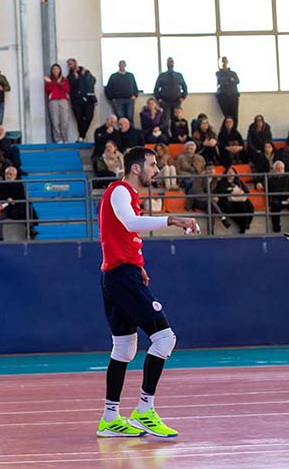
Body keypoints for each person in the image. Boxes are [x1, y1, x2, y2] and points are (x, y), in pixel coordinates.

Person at [96, 146, 198, 439]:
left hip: (118, 276)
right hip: (121, 277)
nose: (156, 170)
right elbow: (130, 223)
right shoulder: (120, 190)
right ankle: (145, 410)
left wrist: (138, 265)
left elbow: (125, 234)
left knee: (124, 349)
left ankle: (110, 418)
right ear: (135, 168)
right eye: (152, 165)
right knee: (165, 339)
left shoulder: (127, 195)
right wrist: (172, 219)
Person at [0, 165, 36, 241]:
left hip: (17, 209)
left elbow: (22, 197)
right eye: (6, 174)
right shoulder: (1, 185)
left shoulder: (19, 185)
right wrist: (6, 200)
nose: (8, 176)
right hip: (6, 208)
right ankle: (0, 239)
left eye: (10, 174)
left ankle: (30, 229)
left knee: (28, 205)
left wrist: (14, 201)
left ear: (15, 175)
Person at [66, 58, 97, 142]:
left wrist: (84, 75)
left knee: (89, 117)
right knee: (79, 119)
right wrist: (77, 79)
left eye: (71, 63)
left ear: (75, 63)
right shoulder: (70, 76)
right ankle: (82, 137)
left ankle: (82, 135)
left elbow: (92, 82)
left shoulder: (86, 72)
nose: (70, 66)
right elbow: (71, 87)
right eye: (68, 64)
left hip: (89, 99)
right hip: (77, 101)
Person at [215, 166, 253, 234]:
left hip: (239, 199)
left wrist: (241, 191)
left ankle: (246, 224)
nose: (231, 173)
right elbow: (221, 191)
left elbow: (246, 191)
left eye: (232, 172)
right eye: (229, 172)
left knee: (250, 207)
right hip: (228, 201)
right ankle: (243, 226)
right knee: (240, 207)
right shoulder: (222, 182)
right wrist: (232, 191)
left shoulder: (238, 181)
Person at [153, 57, 187, 125]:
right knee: (165, 121)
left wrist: (183, 96)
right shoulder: (162, 76)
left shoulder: (179, 75)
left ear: (173, 63)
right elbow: (156, 88)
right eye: (169, 62)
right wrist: (158, 98)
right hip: (165, 102)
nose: (170, 63)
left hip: (176, 101)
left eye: (171, 62)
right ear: (166, 64)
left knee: (176, 121)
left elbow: (184, 87)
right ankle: (166, 132)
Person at [44, 63, 71, 143]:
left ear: (60, 70)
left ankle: (65, 139)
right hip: (53, 101)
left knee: (64, 121)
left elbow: (67, 89)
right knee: (55, 121)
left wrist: (59, 83)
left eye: (57, 69)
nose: (55, 70)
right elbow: (47, 90)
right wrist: (50, 82)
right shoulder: (49, 79)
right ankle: (58, 139)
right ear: (52, 71)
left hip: (63, 100)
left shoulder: (64, 79)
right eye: (54, 69)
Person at [216, 56, 240, 128]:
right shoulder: (218, 73)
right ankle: (227, 129)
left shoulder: (233, 73)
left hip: (233, 95)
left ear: (227, 62)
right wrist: (230, 80)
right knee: (227, 116)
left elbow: (237, 81)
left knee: (234, 115)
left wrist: (231, 80)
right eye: (222, 62)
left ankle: (234, 130)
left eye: (225, 61)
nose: (224, 63)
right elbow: (222, 81)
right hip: (223, 96)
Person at [267, 161, 289, 233]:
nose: (280, 170)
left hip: (287, 198)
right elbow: (267, 190)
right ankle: (276, 230)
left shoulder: (288, 177)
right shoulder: (270, 179)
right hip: (277, 199)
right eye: (278, 169)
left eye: (281, 168)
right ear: (274, 170)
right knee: (275, 206)